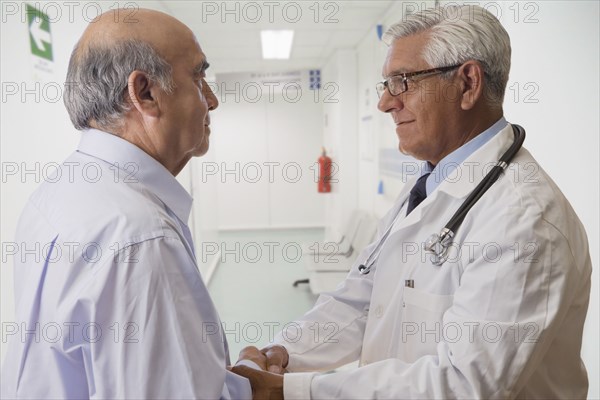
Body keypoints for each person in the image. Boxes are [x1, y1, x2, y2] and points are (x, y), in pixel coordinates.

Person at [232, 4, 592, 399]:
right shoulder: (429, 182)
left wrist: (294, 391)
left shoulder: (524, 220)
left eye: (402, 81)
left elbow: (463, 385)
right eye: (386, 84)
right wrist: (283, 352)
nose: (385, 103)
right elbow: (364, 297)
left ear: (468, 84)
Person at [1, 9, 251, 399]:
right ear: (145, 93)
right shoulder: (140, 239)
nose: (212, 101)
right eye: (199, 79)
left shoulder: (57, 192)